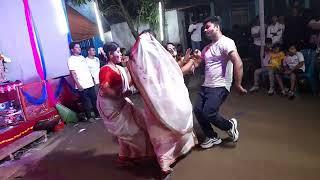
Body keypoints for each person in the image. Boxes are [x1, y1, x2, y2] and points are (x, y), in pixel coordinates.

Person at [128, 32, 197, 174]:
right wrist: (192, 62)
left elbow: (174, 71)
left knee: (161, 133)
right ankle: (167, 160)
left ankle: (165, 162)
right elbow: (178, 73)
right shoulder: (155, 62)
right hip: (165, 101)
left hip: (155, 104)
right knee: (169, 128)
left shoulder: (137, 65)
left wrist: (187, 61)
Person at [96, 42, 154, 167]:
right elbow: (105, 89)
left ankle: (124, 158)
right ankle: (133, 155)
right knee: (132, 131)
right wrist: (120, 95)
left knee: (133, 127)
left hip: (121, 102)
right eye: (117, 52)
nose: (120, 54)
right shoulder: (105, 70)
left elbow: (127, 83)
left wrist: (133, 70)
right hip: (110, 106)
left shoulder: (119, 68)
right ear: (110, 54)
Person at [193, 16, 247, 149]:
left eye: (208, 27)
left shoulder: (226, 42)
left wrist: (238, 83)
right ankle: (211, 136)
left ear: (217, 27)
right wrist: (196, 58)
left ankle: (230, 126)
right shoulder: (206, 48)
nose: (205, 30)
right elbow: (199, 64)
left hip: (220, 85)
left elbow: (238, 62)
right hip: (207, 85)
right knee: (198, 110)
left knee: (209, 112)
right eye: (204, 28)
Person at [68, 42, 99, 121]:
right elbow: (73, 74)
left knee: (94, 99)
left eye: (79, 47)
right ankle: (89, 117)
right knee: (86, 102)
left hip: (90, 83)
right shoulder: (71, 60)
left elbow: (87, 70)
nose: (79, 48)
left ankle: (97, 115)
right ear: (72, 50)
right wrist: (78, 85)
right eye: (77, 47)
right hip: (82, 84)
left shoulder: (82, 57)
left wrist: (92, 79)